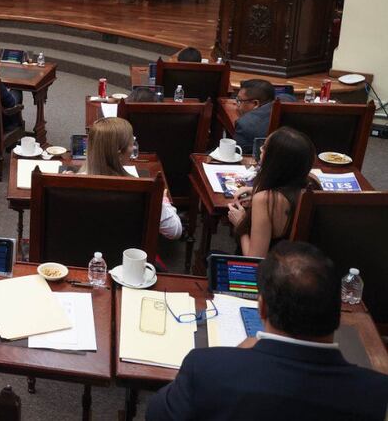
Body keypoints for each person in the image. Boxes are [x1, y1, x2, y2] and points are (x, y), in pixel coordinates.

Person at [148, 241, 388, 421]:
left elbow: (156, 414)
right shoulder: (377, 396)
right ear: (338, 312)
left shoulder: (207, 369)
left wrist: (237, 357)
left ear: (261, 308)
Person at [82, 117, 182, 240]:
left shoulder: (70, 184)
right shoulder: (145, 190)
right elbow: (175, 231)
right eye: (131, 143)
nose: (133, 148)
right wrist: (162, 201)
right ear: (119, 153)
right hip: (129, 256)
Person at [227, 127, 315, 258]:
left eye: (264, 147)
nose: (261, 150)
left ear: (274, 160)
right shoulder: (313, 182)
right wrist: (254, 190)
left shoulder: (265, 200)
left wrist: (240, 224)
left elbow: (255, 259)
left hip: (270, 273)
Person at [233, 78, 275, 151]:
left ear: (255, 104)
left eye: (239, 101)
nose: (236, 105)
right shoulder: (288, 100)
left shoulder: (245, 125)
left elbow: (237, 154)